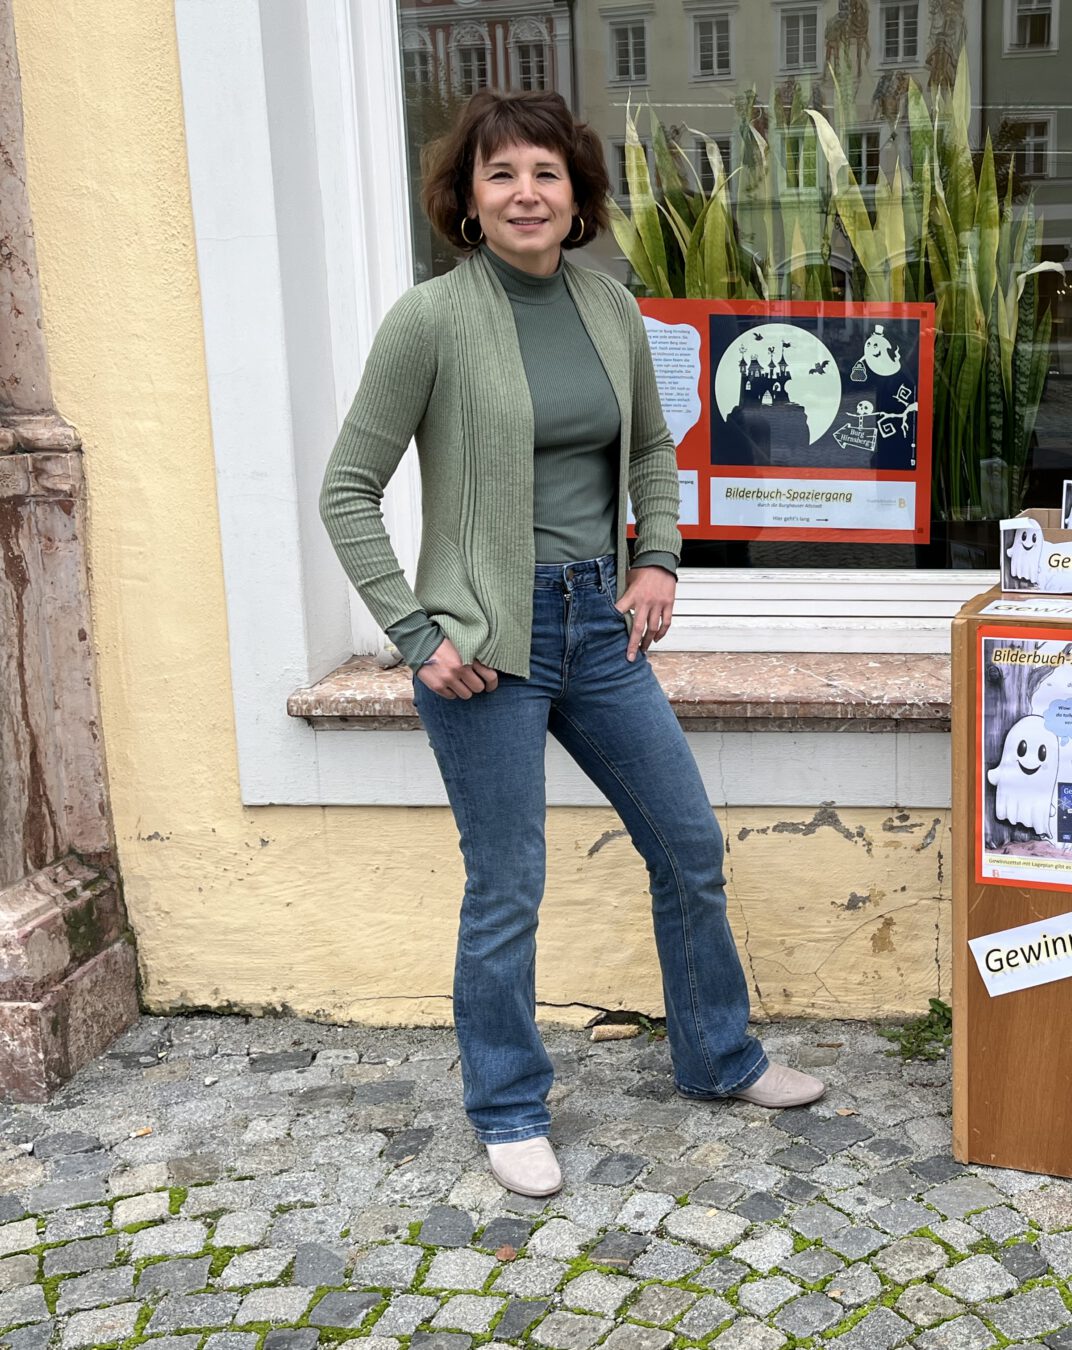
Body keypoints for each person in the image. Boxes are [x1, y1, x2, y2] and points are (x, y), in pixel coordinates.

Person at [319, 90, 825, 1200]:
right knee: (507, 885)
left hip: (600, 626)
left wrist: (660, 557)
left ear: (576, 193)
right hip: (486, 647)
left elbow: (651, 449)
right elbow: (347, 491)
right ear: (467, 199)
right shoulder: (431, 320)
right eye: (500, 175)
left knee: (687, 843)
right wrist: (415, 633)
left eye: (545, 172)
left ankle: (719, 1059)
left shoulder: (607, 307)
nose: (525, 194)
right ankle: (507, 1104)